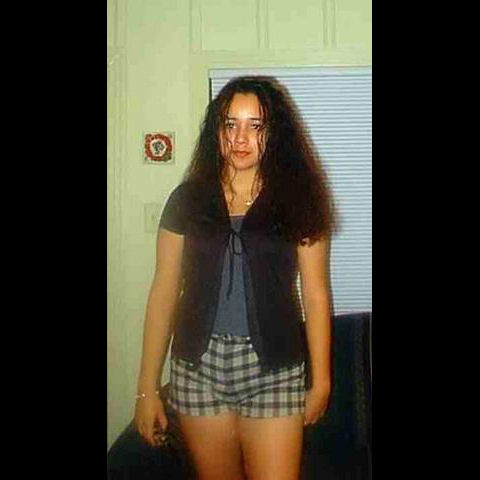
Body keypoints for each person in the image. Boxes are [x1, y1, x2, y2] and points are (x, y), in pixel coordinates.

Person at [134, 76, 334, 480]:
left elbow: (315, 295)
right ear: (217, 131)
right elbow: (164, 291)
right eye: (231, 124)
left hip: (274, 369)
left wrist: (322, 381)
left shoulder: (300, 200)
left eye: (255, 125)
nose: (240, 138)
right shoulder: (187, 200)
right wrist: (146, 388)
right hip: (198, 369)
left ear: (274, 134)